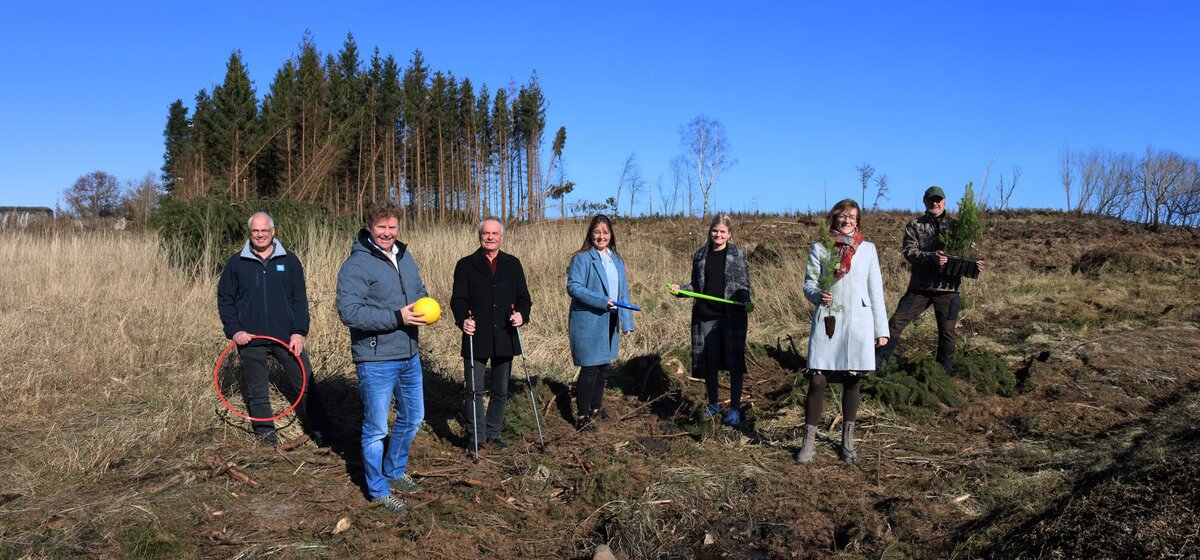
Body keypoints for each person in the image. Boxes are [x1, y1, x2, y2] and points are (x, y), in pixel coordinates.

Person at [336, 202, 430, 515]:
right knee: (376, 428)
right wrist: (397, 317)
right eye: (381, 227)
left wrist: (426, 307)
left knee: (413, 417)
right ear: (369, 227)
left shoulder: (405, 255)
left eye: (392, 227)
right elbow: (350, 312)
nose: (387, 233)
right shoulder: (356, 265)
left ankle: (394, 469)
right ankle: (378, 490)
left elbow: (418, 290)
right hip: (376, 358)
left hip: (409, 354)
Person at [217, 212, 331, 447]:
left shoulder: (289, 261)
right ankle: (267, 439)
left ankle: (324, 434)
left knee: (306, 384)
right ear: (250, 233)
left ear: (273, 232)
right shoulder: (236, 263)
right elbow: (225, 300)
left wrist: (299, 331)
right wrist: (235, 330)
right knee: (257, 391)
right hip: (250, 339)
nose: (260, 235)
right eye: (255, 231)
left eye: (264, 231)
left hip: (287, 338)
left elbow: (300, 299)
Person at [796, 199, 889, 464]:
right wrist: (817, 296)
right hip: (828, 318)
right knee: (817, 380)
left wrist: (881, 329)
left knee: (853, 380)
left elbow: (876, 292)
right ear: (834, 218)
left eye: (852, 216)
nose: (847, 220)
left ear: (858, 220)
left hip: (859, 321)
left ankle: (847, 442)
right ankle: (808, 444)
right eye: (842, 216)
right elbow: (809, 285)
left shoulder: (868, 250)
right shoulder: (820, 248)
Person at [876, 186, 985, 374]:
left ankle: (943, 374)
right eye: (931, 200)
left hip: (948, 289)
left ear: (944, 201)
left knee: (947, 333)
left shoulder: (957, 226)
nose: (935, 203)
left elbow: (970, 252)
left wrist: (977, 263)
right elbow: (909, 252)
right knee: (895, 324)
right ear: (925, 201)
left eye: (939, 200)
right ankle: (875, 365)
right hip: (921, 288)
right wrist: (929, 257)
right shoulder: (915, 225)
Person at [450, 217, 533, 456]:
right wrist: (461, 320)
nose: (490, 237)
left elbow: (524, 299)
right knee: (474, 390)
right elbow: (458, 299)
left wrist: (522, 316)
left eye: (494, 233)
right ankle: (476, 436)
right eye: (486, 233)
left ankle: (493, 433)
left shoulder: (513, 264)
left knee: (500, 389)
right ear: (480, 236)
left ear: (501, 237)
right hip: (476, 335)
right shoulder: (466, 264)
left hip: (505, 335)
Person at [669, 214, 753, 426]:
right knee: (710, 363)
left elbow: (744, 284)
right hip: (706, 316)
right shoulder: (700, 255)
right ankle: (713, 404)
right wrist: (681, 290)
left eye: (723, 232)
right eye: (715, 230)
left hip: (731, 317)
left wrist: (745, 300)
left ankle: (734, 409)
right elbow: (696, 287)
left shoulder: (738, 255)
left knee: (734, 364)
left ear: (729, 234)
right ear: (711, 231)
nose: (718, 234)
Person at [566, 215, 634, 432]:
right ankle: (583, 416)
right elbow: (574, 287)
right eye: (597, 232)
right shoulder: (582, 259)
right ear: (590, 234)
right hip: (588, 320)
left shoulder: (617, 260)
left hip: (610, 320)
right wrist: (601, 301)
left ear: (611, 234)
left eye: (605, 233)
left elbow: (623, 292)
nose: (601, 236)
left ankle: (596, 409)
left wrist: (627, 321)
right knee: (590, 367)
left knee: (603, 366)